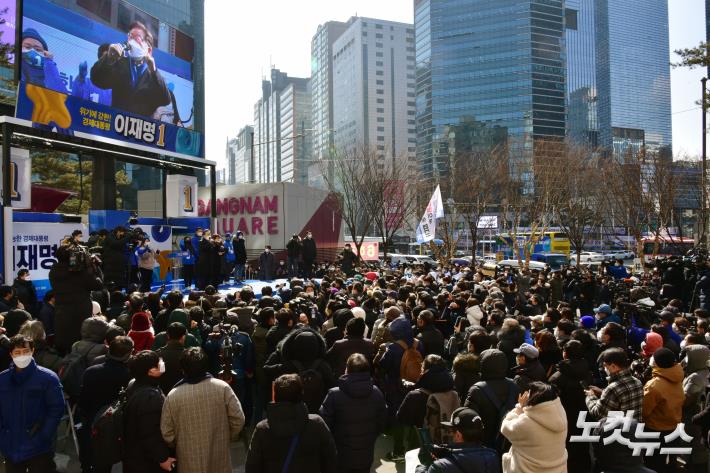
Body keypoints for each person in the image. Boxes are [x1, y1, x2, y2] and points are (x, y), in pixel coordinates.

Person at [161, 347, 245, 473]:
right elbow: (238, 418)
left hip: (188, 459)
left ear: (183, 369)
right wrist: (228, 436)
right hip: (219, 454)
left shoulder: (173, 395)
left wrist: (178, 444)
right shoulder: (222, 388)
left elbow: (167, 432)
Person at [246, 373, 337, 473]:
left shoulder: (262, 429)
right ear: (301, 394)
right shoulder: (316, 423)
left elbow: (252, 466)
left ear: (274, 395)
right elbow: (331, 459)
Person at [0, 335, 64, 473]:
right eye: (17, 352)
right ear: (11, 354)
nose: (22, 355)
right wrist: (3, 438)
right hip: (11, 446)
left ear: (32, 351)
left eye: (26, 351)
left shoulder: (48, 378)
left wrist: (44, 436)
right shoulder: (2, 379)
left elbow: (56, 409)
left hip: (38, 446)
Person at [319, 354, 387, 473]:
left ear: (347, 369)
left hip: (341, 451)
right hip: (366, 451)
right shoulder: (376, 392)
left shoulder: (334, 394)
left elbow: (325, 423)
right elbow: (382, 420)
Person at [90, 21, 171, 117]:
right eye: (130, 36)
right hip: (117, 126)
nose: (131, 41)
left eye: (137, 38)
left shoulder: (154, 77)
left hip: (143, 129)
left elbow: (165, 100)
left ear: (148, 50)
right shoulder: (119, 63)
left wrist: (153, 71)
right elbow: (97, 79)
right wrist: (108, 59)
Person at [78, 336, 134, 473]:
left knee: (89, 460)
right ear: (128, 355)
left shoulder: (91, 371)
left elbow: (83, 401)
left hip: (90, 421)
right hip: (112, 426)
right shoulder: (128, 375)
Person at [123, 351, 175, 473]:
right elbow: (150, 432)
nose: (162, 363)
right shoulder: (150, 397)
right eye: (159, 363)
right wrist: (162, 458)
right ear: (151, 371)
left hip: (134, 454)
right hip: (145, 460)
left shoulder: (134, 383)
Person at [500, 381, 568, 473]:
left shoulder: (526, 423)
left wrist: (519, 408)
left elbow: (505, 427)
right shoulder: (560, 414)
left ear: (535, 398)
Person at [49, 244, 104, 354]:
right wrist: (93, 267)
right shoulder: (80, 273)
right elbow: (98, 285)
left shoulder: (53, 272)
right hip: (81, 316)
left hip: (62, 314)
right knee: (79, 348)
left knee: (64, 347)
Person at [463, 348, 520, 450]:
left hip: (484, 446)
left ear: (483, 365)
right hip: (508, 443)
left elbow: (469, 419)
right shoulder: (514, 386)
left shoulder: (477, 389)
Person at [415, 407, 500, 473]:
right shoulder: (493, 458)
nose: (450, 434)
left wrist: (425, 465)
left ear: (459, 435)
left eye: (451, 431)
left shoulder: (440, 466)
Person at [642, 347, 685, 473]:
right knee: (670, 464)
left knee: (653, 464)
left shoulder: (654, 385)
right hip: (674, 427)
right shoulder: (677, 377)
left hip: (655, 430)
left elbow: (644, 411)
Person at [585, 347, 643, 420]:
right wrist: (602, 392)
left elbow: (598, 414)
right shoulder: (637, 381)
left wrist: (591, 396)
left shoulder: (613, 388)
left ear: (613, 366)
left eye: (605, 366)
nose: (604, 369)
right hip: (634, 428)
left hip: (618, 430)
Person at [20, 28, 66, 92]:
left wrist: (49, 64)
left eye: (37, 49)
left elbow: (60, 95)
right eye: (27, 47)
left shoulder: (47, 71)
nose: (32, 51)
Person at [155, 322, 187, 395]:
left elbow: (160, 374)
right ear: (183, 337)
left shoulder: (159, 354)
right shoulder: (187, 355)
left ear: (168, 336)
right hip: (182, 393)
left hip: (164, 394)